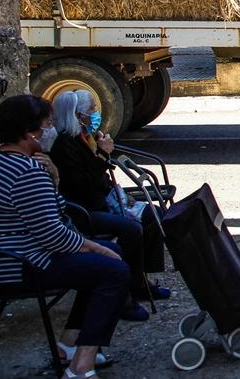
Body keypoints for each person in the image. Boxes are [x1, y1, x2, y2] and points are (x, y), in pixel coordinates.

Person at [0, 94, 128, 378]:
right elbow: (54, 234)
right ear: (30, 132)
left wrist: (53, 180)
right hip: (14, 263)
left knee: (104, 261)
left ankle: (69, 344)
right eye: (46, 125)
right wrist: (96, 248)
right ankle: (82, 365)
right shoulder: (27, 171)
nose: (50, 130)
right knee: (114, 269)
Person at [49, 91, 169, 313]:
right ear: (77, 115)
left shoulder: (81, 138)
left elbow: (99, 177)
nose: (95, 114)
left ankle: (140, 279)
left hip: (99, 200)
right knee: (131, 230)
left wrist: (119, 192)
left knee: (154, 216)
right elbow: (81, 184)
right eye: (91, 110)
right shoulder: (63, 146)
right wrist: (104, 156)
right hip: (83, 211)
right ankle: (125, 291)